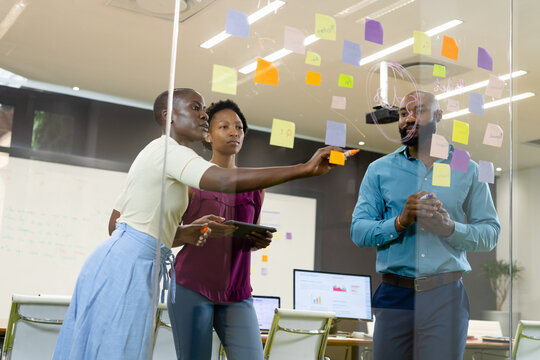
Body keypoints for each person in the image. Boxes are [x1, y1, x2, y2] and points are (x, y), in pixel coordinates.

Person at [53, 88, 339, 360]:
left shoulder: (162, 153)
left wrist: (184, 233)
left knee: (116, 349)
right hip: (131, 264)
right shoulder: (170, 152)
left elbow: (121, 223)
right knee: (117, 349)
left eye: (204, 109)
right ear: (170, 117)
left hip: (137, 261)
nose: (204, 115)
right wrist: (304, 168)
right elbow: (224, 181)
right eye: (196, 108)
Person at [351, 90, 500, 360]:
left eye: (418, 111)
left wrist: (450, 228)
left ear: (439, 116)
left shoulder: (467, 168)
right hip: (394, 295)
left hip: (446, 297)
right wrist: (399, 222)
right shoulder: (379, 169)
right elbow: (359, 231)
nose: (408, 118)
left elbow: (491, 233)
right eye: (402, 113)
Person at [167, 99, 272, 360]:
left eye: (239, 127)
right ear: (209, 135)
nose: (234, 132)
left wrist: (257, 239)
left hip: (237, 292)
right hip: (192, 286)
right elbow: (168, 235)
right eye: (224, 126)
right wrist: (197, 230)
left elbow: (249, 231)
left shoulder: (255, 187)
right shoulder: (190, 179)